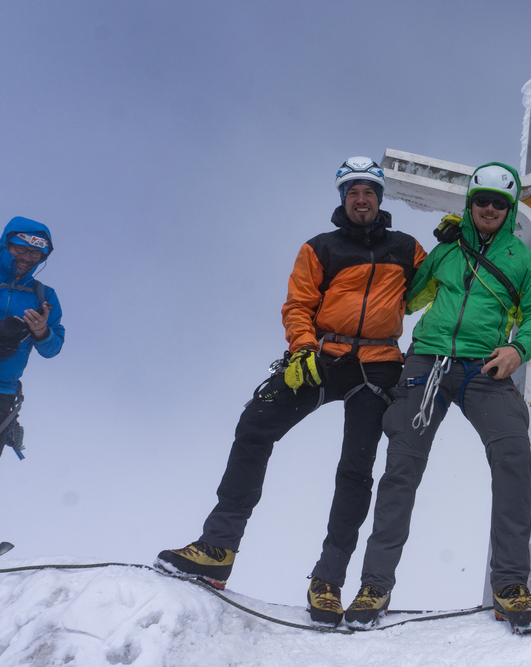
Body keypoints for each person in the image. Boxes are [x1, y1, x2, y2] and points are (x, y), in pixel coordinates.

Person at [156, 157, 427, 625]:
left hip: (380, 365)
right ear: (342, 198)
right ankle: (219, 547)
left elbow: (436, 283)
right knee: (255, 424)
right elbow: (299, 304)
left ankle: (328, 582)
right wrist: (302, 348)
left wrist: (455, 243)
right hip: (324, 356)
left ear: (380, 199)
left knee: (355, 470)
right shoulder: (320, 247)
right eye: (352, 192)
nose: (361, 199)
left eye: (369, 192)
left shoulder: (407, 248)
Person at [343, 162, 531, 635]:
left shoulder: (520, 259)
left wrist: (518, 349)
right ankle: (374, 585)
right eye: (482, 200)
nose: (490, 209)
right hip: (427, 365)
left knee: (514, 458)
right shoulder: (447, 250)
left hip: (486, 367)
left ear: (510, 207)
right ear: (470, 203)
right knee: (401, 469)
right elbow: (407, 298)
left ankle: (511, 585)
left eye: (499, 202)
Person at [0, 217, 64, 462]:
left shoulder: (44, 296)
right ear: (6, 244)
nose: (26, 258)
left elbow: (52, 349)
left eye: (35, 255)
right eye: (20, 249)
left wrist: (40, 332)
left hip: (1, 393)